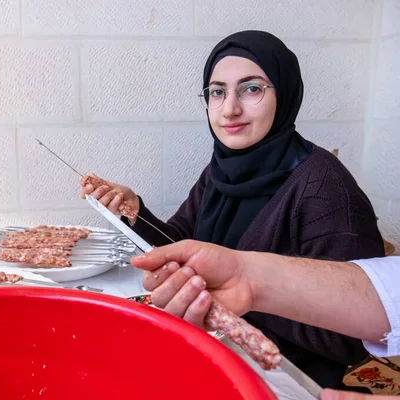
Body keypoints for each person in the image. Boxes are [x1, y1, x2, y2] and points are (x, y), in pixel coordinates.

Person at [81, 30, 385, 388]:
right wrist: (135, 212)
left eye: (251, 88)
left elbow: (351, 338)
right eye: (218, 91)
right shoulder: (221, 170)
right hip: (212, 354)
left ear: (284, 93)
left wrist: (243, 293)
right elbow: (179, 243)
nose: (229, 108)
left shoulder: (323, 188)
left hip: (283, 378)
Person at [130, 240, 399, 400]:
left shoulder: (323, 186)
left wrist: (255, 306)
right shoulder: (215, 174)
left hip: (301, 377)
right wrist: (245, 277)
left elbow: (346, 345)